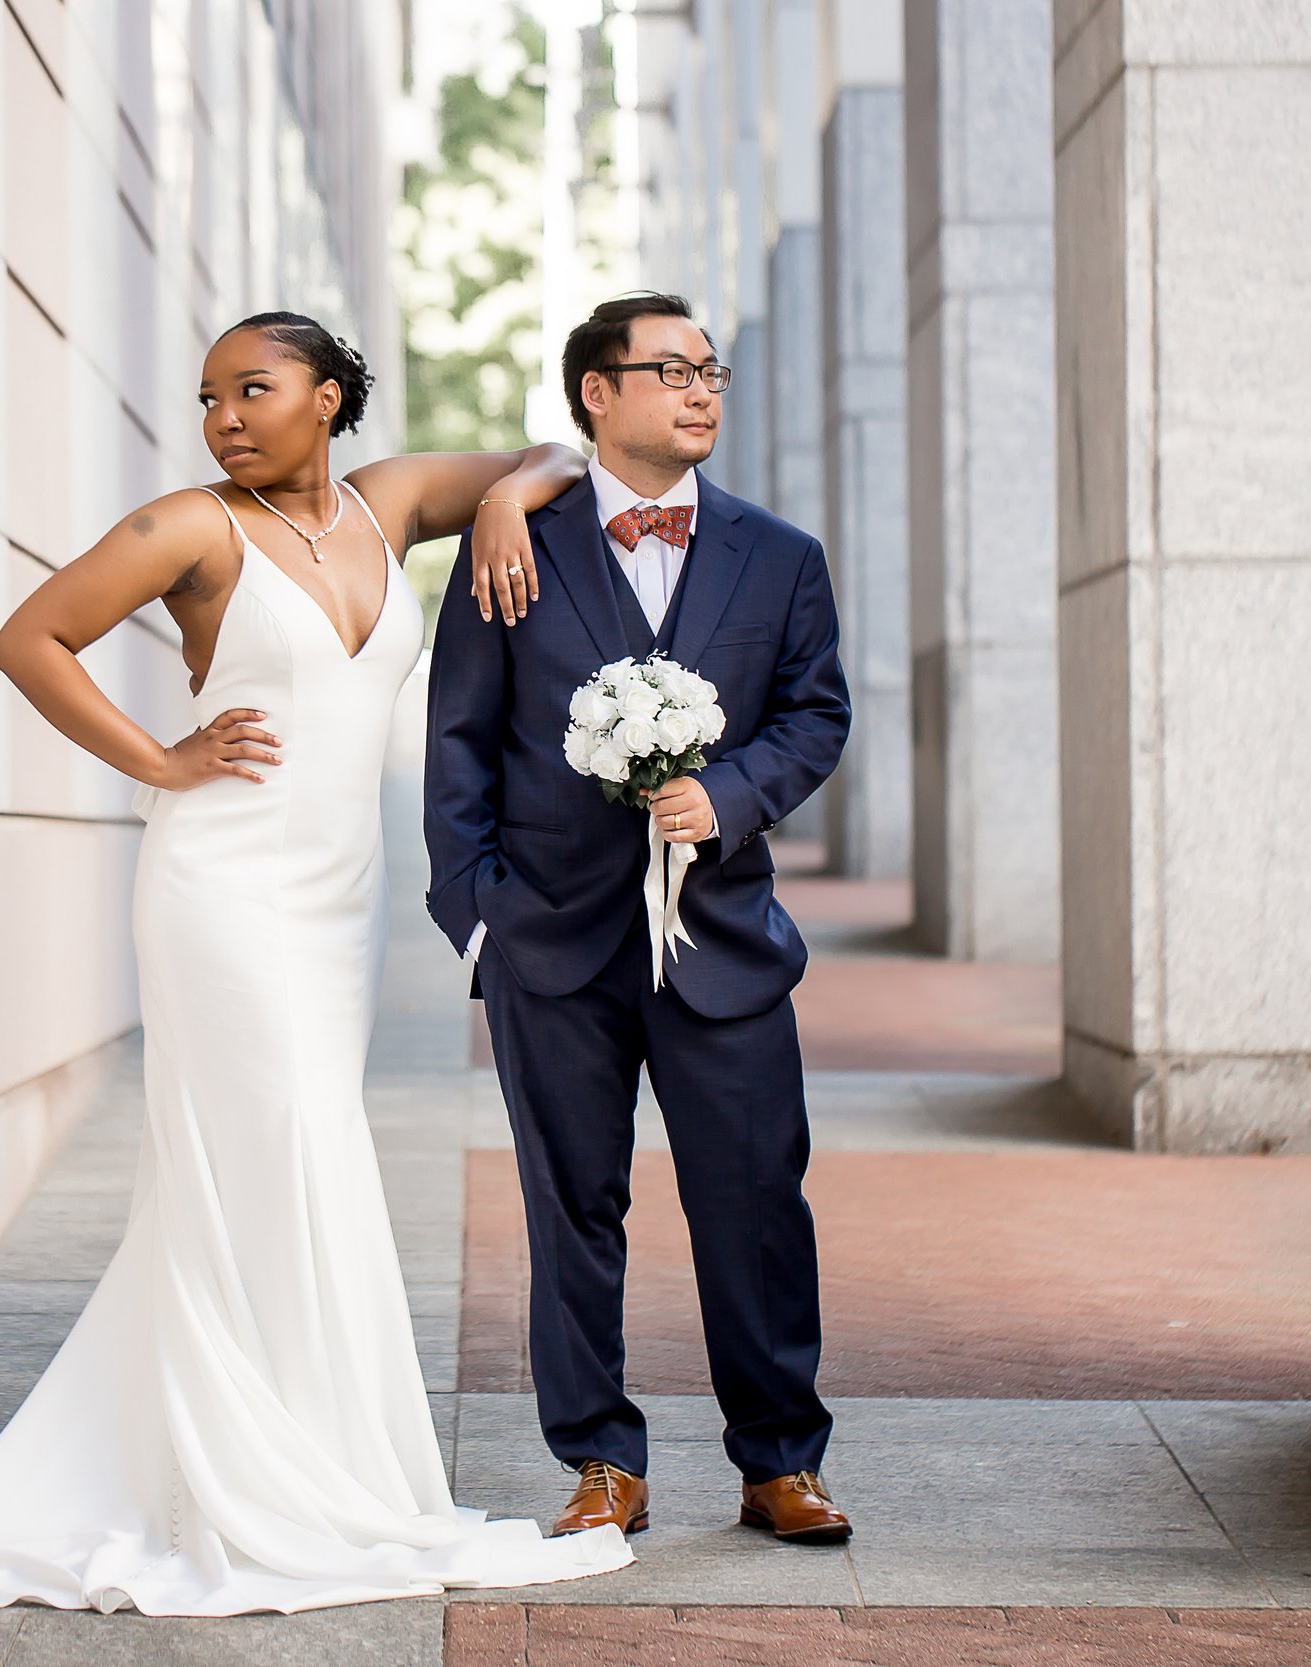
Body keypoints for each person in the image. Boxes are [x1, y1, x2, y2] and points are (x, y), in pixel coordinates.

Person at [0, 312, 632, 1615]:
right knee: (285, 1144)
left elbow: (558, 450)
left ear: (331, 396)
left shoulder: (389, 502)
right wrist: (161, 759)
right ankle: (271, 1474)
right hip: (221, 885)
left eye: (255, 388)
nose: (226, 415)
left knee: (289, 1153)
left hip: (336, 893)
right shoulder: (190, 525)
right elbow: (28, 638)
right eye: (212, 396)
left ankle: (300, 1448)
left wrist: (507, 498)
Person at [423, 293, 854, 1544]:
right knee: (571, 1204)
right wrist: (479, 914)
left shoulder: (780, 556)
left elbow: (814, 716)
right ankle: (601, 1458)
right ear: (595, 394)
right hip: (549, 938)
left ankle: (780, 1458)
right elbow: (458, 735)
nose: (701, 389)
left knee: (756, 1196)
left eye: (709, 369)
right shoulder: (517, 544)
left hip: (720, 936)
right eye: (670, 369)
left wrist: (725, 794)